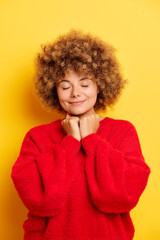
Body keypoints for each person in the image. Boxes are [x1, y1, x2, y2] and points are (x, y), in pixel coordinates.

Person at [11, 29, 151, 240]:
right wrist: (70, 142)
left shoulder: (123, 132)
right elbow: (40, 201)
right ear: (53, 90)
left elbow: (123, 197)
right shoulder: (36, 137)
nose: (75, 93)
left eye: (84, 84)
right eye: (65, 86)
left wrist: (91, 140)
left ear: (99, 86)